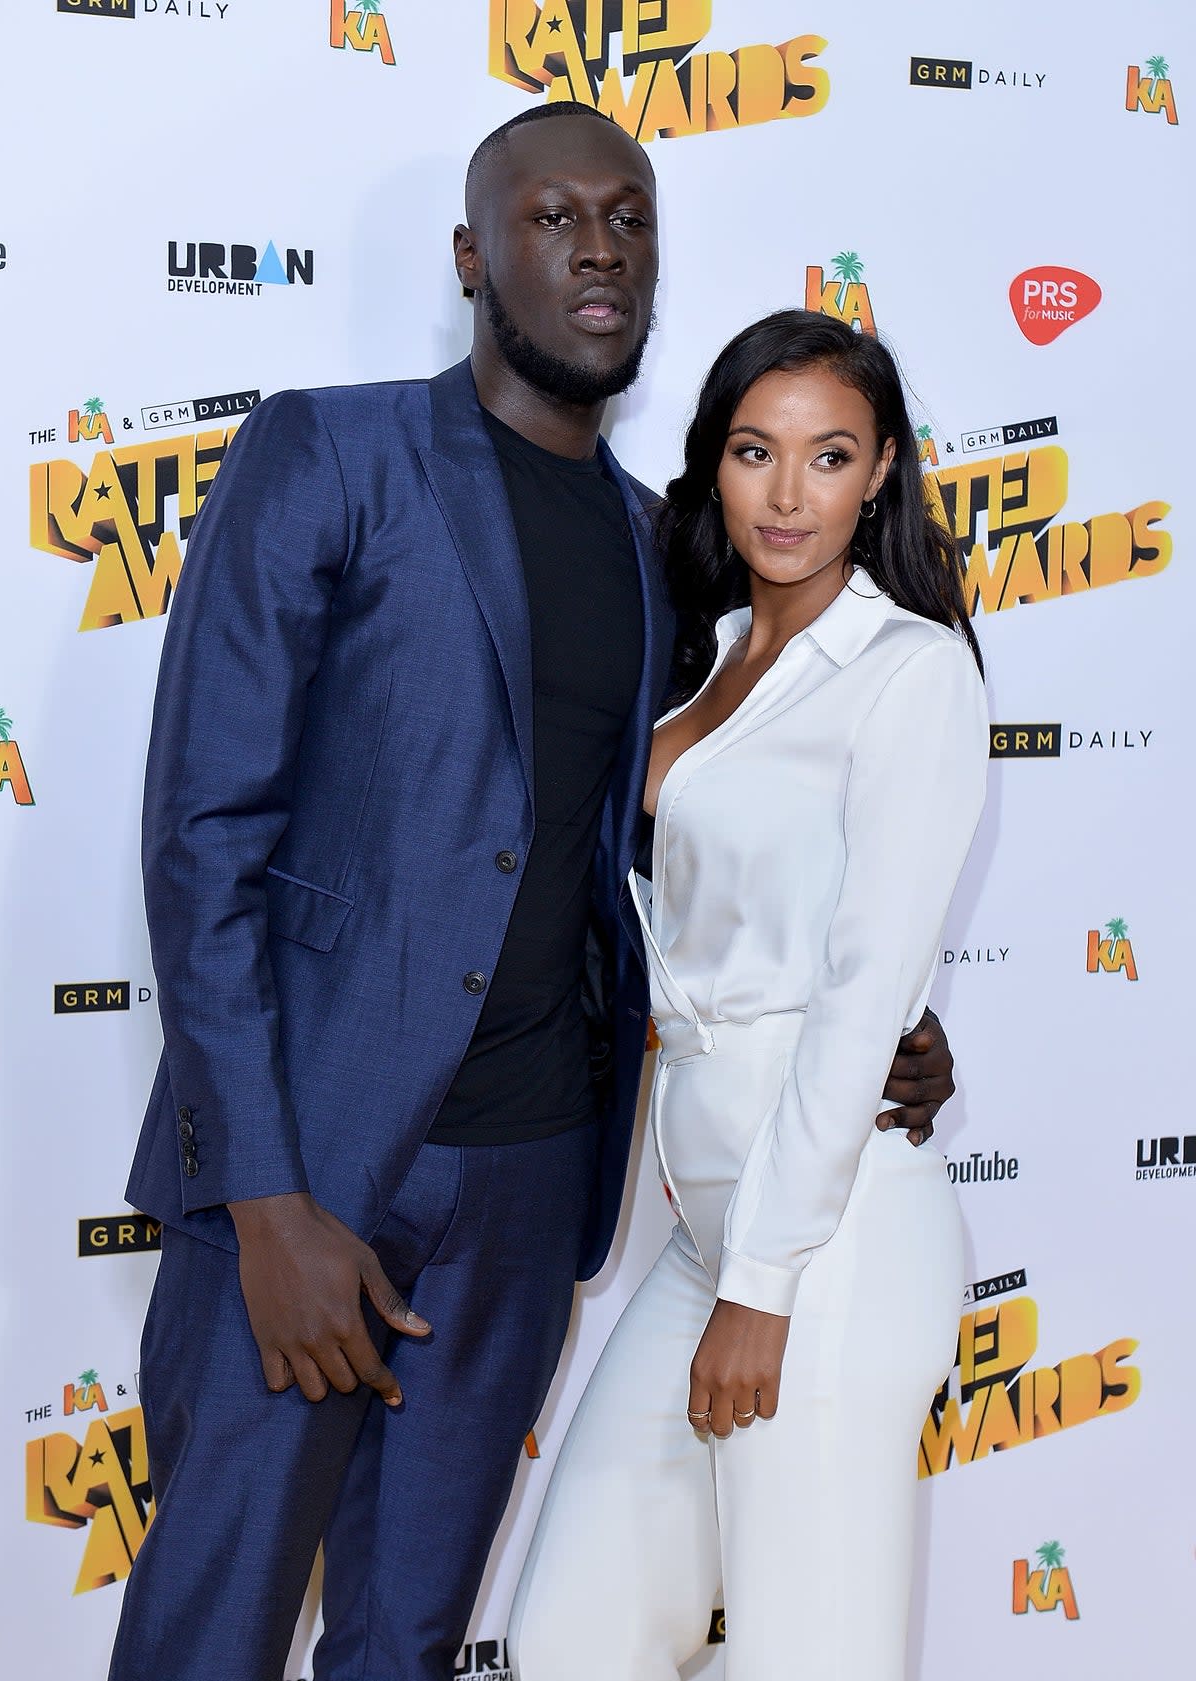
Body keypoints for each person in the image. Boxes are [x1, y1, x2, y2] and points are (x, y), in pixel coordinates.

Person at [109, 109, 957, 1681]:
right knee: (209, 1632)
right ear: (471, 256)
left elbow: (679, 847)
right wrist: (267, 1198)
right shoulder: (329, 451)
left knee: (408, 1640)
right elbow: (200, 836)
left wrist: (890, 1026)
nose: (597, 247)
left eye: (628, 218)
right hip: (308, 1181)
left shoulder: (660, 549)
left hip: (524, 1187)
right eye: (553, 213)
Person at [509, 310, 989, 1681]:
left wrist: (767, 1285)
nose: (789, 495)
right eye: (754, 452)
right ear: (712, 463)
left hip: (823, 1238)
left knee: (808, 1657)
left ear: (882, 468)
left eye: (829, 456)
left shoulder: (911, 674)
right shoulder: (707, 654)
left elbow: (861, 998)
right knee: (570, 1639)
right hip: (704, 1227)